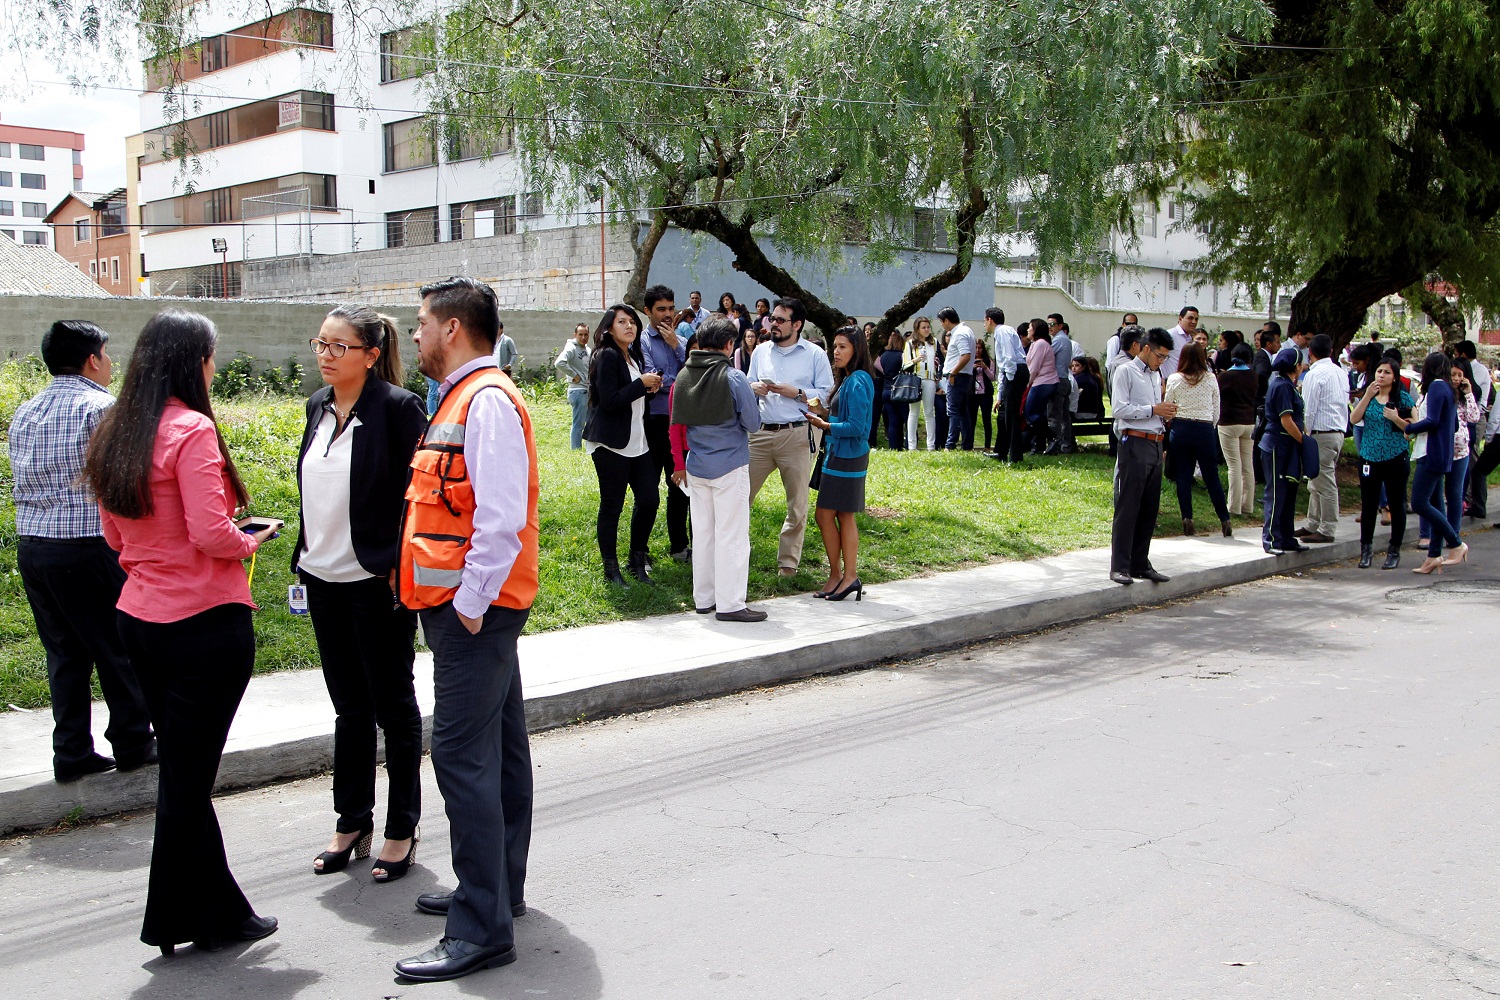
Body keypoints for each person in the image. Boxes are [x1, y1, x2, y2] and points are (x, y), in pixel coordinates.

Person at [84, 309, 280, 955]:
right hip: (204, 627)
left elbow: (115, 537)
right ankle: (172, 920)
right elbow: (209, 533)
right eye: (211, 356)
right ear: (192, 361)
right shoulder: (191, 429)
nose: (215, 367)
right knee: (187, 783)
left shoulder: (115, 429)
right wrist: (251, 541)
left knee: (185, 775)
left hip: (139, 619)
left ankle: (221, 912)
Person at [394, 276, 540, 983]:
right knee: (500, 749)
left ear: (452, 329)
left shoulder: (484, 401)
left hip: (474, 611)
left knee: (460, 757)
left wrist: (470, 608)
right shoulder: (465, 397)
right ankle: (498, 888)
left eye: (421, 323)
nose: (414, 334)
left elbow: (501, 519)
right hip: (473, 608)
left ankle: (481, 927)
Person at [295, 305, 428, 881]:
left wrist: (399, 567)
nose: (325, 355)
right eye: (320, 344)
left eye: (338, 346)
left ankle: (401, 826)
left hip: (375, 582)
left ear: (371, 355)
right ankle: (352, 819)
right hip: (322, 578)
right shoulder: (316, 409)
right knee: (349, 708)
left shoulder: (398, 409)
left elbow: (416, 495)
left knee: (394, 707)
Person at [9, 320, 154, 783]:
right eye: (107, 355)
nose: (110, 364)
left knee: (65, 652)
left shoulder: (25, 412)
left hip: (33, 546)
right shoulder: (103, 408)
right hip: (88, 545)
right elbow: (125, 480)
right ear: (93, 359)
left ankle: (71, 753)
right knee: (117, 648)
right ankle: (132, 741)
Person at [668, 317, 765, 622]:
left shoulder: (684, 376)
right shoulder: (732, 377)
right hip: (730, 465)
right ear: (727, 345)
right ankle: (731, 604)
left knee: (705, 534)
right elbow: (753, 423)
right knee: (732, 536)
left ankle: (704, 599)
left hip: (697, 466)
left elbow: (678, 423)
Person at [747, 297, 835, 577]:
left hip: (797, 433)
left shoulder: (814, 355)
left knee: (797, 505)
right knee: (738, 498)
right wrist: (754, 388)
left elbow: (827, 397)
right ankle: (736, 555)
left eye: (780, 320)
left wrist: (796, 393)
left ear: (797, 324)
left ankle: (788, 564)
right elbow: (747, 383)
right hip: (759, 434)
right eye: (772, 319)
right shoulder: (760, 352)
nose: (773, 324)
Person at [583, 303, 664, 585]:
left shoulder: (632, 356)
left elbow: (633, 399)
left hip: (638, 443)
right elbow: (609, 401)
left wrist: (648, 389)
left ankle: (637, 561)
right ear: (609, 327)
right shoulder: (606, 355)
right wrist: (640, 384)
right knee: (612, 506)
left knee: (649, 500)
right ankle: (611, 569)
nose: (630, 326)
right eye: (622, 322)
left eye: (632, 322)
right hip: (611, 444)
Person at [807, 327, 874, 602]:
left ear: (856, 349)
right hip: (837, 455)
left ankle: (847, 576)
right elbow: (845, 416)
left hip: (848, 456)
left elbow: (857, 427)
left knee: (834, 514)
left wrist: (825, 424)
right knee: (830, 515)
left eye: (843, 347)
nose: (836, 351)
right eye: (834, 346)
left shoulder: (858, 380)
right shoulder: (848, 379)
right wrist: (823, 412)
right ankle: (839, 576)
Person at [1386, 352, 1469, 574]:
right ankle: (1433, 555)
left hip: (1430, 453)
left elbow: (1432, 421)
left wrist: (1409, 427)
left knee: (1420, 503)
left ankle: (1456, 542)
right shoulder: (1447, 389)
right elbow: (1451, 425)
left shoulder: (1435, 388)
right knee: (1436, 503)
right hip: (1438, 452)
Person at [1108, 327, 1177, 585]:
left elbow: (1150, 410)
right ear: (1146, 348)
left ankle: (1140, 561)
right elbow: (1119, 409)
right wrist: (1152, 409)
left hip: (1155, 443)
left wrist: (1162, 413)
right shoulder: (1126, 370)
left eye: (1165, 358)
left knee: (1149, 508)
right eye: (1159, 355)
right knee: (1128, 506)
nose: (1161, 361)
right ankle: (1120, 565)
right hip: (1134, 442)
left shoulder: (1155, 374)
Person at [637, 285, 692, 563]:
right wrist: (674, 383)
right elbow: (651, 379)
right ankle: (640, 551)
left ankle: (679, 547)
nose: (668, 315)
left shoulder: (682, 341)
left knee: (680, 486)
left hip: (681, 422)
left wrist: (675, 346)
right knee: (647, 491)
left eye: (671, 308)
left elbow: (694, 374)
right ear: (648, 311)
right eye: (661, 309)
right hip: (653, 421)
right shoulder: (642, 341)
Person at [1164, 343, 1233, 537]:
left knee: (1183, 476)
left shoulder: (1175, 379)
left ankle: (1187, 518)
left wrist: (1171, 420)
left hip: (1181, 427)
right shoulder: (1211, 378)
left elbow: (1169, 406)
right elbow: (1216, 410)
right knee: (1212, 476)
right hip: (1204, 428)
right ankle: (1224, 519)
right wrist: (1208, 426)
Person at [1349, 358, 1412, 569]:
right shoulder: (1370, 396)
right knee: (1368, 505)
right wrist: (1366, 396)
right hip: (1370, 456)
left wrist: (1396, 418)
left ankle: (1394, 549)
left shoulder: (1402, 399)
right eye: (1378, 371)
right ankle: (1365, 550)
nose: (1381, 375)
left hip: (1395, 456)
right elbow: (1354, 419)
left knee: (1396, 504)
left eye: (1386, 372)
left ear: (1394, 377)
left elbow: (1411, 430)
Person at [1293, 333, 1347, 544]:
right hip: (1337, 432)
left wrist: (1304, 434)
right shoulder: (1339, 372)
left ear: (1310, 353)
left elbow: (1309, 408)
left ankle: (1327, 527)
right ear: (1331, 351)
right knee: (1315, 481)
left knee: (1323, 482)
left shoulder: (1315, 375)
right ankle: (1312, 523)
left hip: (1320, 433)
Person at [1259, 347, 1309, 555]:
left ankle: (1286, 537)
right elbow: (1286, 420)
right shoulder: (1281, 387)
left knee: (1289, 492)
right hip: (1277, 445)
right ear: (1296, 366)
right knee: (1276, 492)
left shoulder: (1288, 385)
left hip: (1288, 446)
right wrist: (1304, 441)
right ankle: (1270, 539)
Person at [1216, 343, 1258, 516]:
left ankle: (1233, 507)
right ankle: (1247, 506)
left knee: (1234, 466)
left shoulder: (1225, 376)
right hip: (1249, 423)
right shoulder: (1254, 376)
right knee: (1248, 466)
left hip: (1228, 423)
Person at [987, 307, 1029, 464]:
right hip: (1012, 373)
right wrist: (1000, 395)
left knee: (1011, 416)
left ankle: (1016, 457)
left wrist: (1010, 380)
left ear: (990, 320)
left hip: (1016, 372)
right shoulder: (1000, 332)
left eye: (985, 321)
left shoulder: (1002, 331)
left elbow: (1009, 357)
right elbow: (1003, 367)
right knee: (1004, 415)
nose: (984, 324)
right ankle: (1002, 452)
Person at [938, 307, 976, 450]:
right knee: (962, 411)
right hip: (962, 376)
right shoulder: (966, 331)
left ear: (947, 320)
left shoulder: (960, 333)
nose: (941, 325)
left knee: (953, 410)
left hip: (958, 376)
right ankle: (966, 444)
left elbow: (965, 356)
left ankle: (950, 444)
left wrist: (953, 373)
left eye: (942, 322)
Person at [1252, 322, 1282, 482]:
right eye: (1277, 342)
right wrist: (1265, 395)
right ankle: (1258, 473)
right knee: (1258, 438)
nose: (1280, 345)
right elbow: (1261, 375)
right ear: (1269, 343)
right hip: (1260, 404)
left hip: (1261, 401)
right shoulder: (1263, 358)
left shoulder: (1266, 357)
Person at [903, 316, 938, 449]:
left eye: (928, 327)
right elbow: (904, 365)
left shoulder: (933, 342)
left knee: (929, 412)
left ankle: (931, 446)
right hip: (915, 380)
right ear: (917, 329)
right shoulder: (910, 343)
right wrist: (915, 360)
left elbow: (937, 361)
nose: (926, 330)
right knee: (913, 412)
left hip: (929, 380)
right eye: (923, 327)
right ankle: (912, 446)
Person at [555, 322, 592, 450]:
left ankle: (590, 446)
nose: (583, 337)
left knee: (590, 421)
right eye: (580, 334)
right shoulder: (571, 348)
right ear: (575, 335)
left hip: (587, 390)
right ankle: (575, 449)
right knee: (578, 424)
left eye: (586, 334)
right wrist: (574, 375)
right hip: (578, 391)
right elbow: (559, 363)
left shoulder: (587, 349)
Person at [1023, 320, 1058, 454]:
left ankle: (1053, 437)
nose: (1028, 330)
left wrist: (1027, 384)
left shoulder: (1040, 344)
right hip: (1042, 382)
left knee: (1030, 413)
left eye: (1030, 327)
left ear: (1036, 330)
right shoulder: (1036, 344)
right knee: (1039, 415)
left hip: (1043, 382)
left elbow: (1034, 368)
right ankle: (1038, 446)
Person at [1045, 315, 1074, 454]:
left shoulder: (1059, 340)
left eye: (1052, 324)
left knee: (1054, 415)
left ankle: (1054, 445)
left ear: (1060, 326)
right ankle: (1066, 445)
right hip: (1064, 379)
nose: (1049, 327)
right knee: (1064, 416)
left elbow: (1046, 355)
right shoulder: (1065, 339)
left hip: (1058, 379)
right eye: (1048, 324)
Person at [876, 330, 909, 450]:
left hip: (886, 389)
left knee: (893, 420)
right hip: (900, 390)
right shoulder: (902, 356)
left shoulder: (884, 356)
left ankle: (893, 445)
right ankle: (907, 444)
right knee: (906, 418)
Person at [971, 339, 996, 452]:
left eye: (980, 348)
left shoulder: (989, 361)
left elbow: (993, 377)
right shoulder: (968, 360)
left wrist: (985, 367)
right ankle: (969, 444)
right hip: (972, 394)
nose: (977, 350)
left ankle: (987, 446)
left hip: (986, 394)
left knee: (987, 420)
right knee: (972, 419)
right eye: (975, 348)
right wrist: (972, 368)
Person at [1162, 305, 1199, 379]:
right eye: (1190, 318)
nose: (1194, 322)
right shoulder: (1170, 335)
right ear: (1180, 318)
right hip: (1169, 382)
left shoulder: (1190, 338)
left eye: (1196, 319)